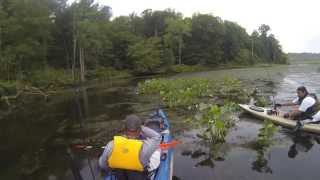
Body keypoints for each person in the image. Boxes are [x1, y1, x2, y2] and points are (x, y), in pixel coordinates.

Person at [98, 114, 161, 180]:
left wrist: (111, 168)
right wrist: (141, 127)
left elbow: (102, 164)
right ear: (139, 130)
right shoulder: (145, 147)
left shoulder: (111, 145)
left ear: (125, 129)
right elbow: (157, 137)